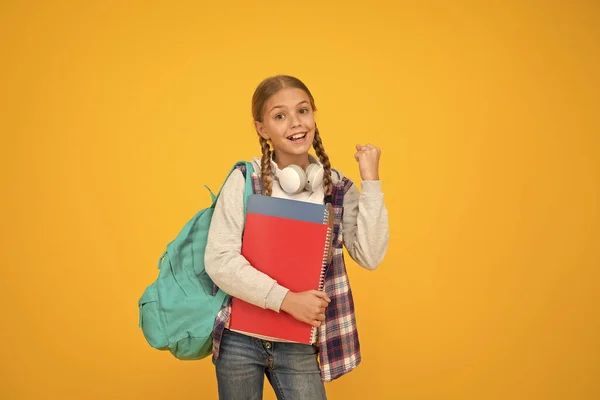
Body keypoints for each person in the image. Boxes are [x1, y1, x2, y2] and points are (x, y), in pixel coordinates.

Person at [205, 75, 389, 400]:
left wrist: (371, 181)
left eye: (302, 111)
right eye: (280, 116)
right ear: (262, 129)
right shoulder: (244, 181)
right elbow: (219, 260)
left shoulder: (337, 188)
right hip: (239, 339)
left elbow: (371, 255)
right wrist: (288, 301)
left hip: (300, 343)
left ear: (314, 115)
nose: (295, 123)